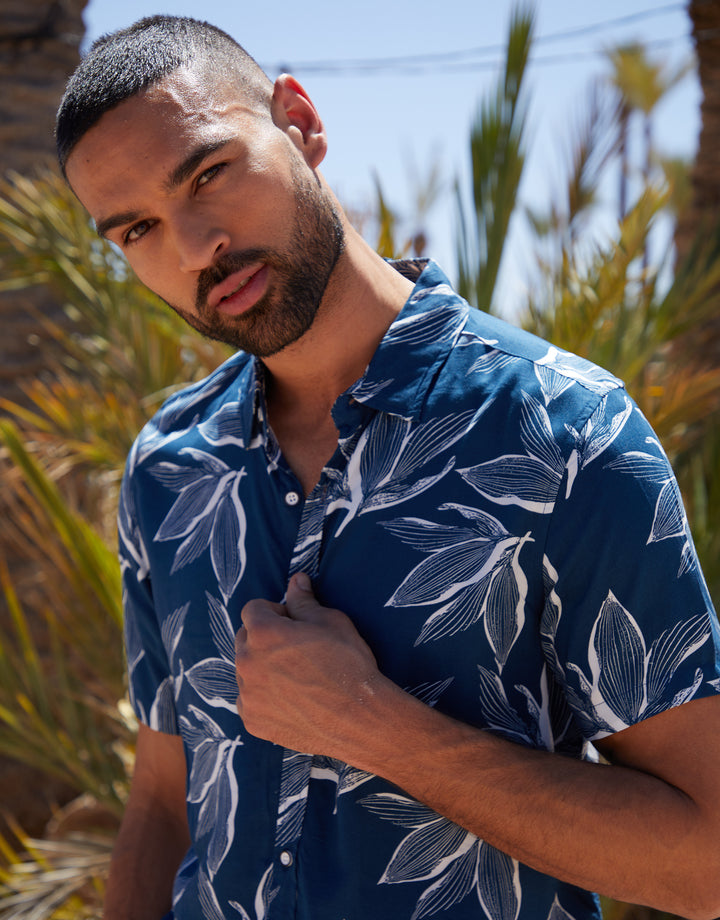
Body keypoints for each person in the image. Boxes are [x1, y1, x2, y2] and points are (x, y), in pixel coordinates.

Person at [56, 15, 720, 920]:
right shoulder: (171, 466)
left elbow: (706, 860)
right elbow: (165, 800)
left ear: (300, 122)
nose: (194, 245)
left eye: (208, 172)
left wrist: (373, 725)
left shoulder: (564, 432)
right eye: (136, 229)